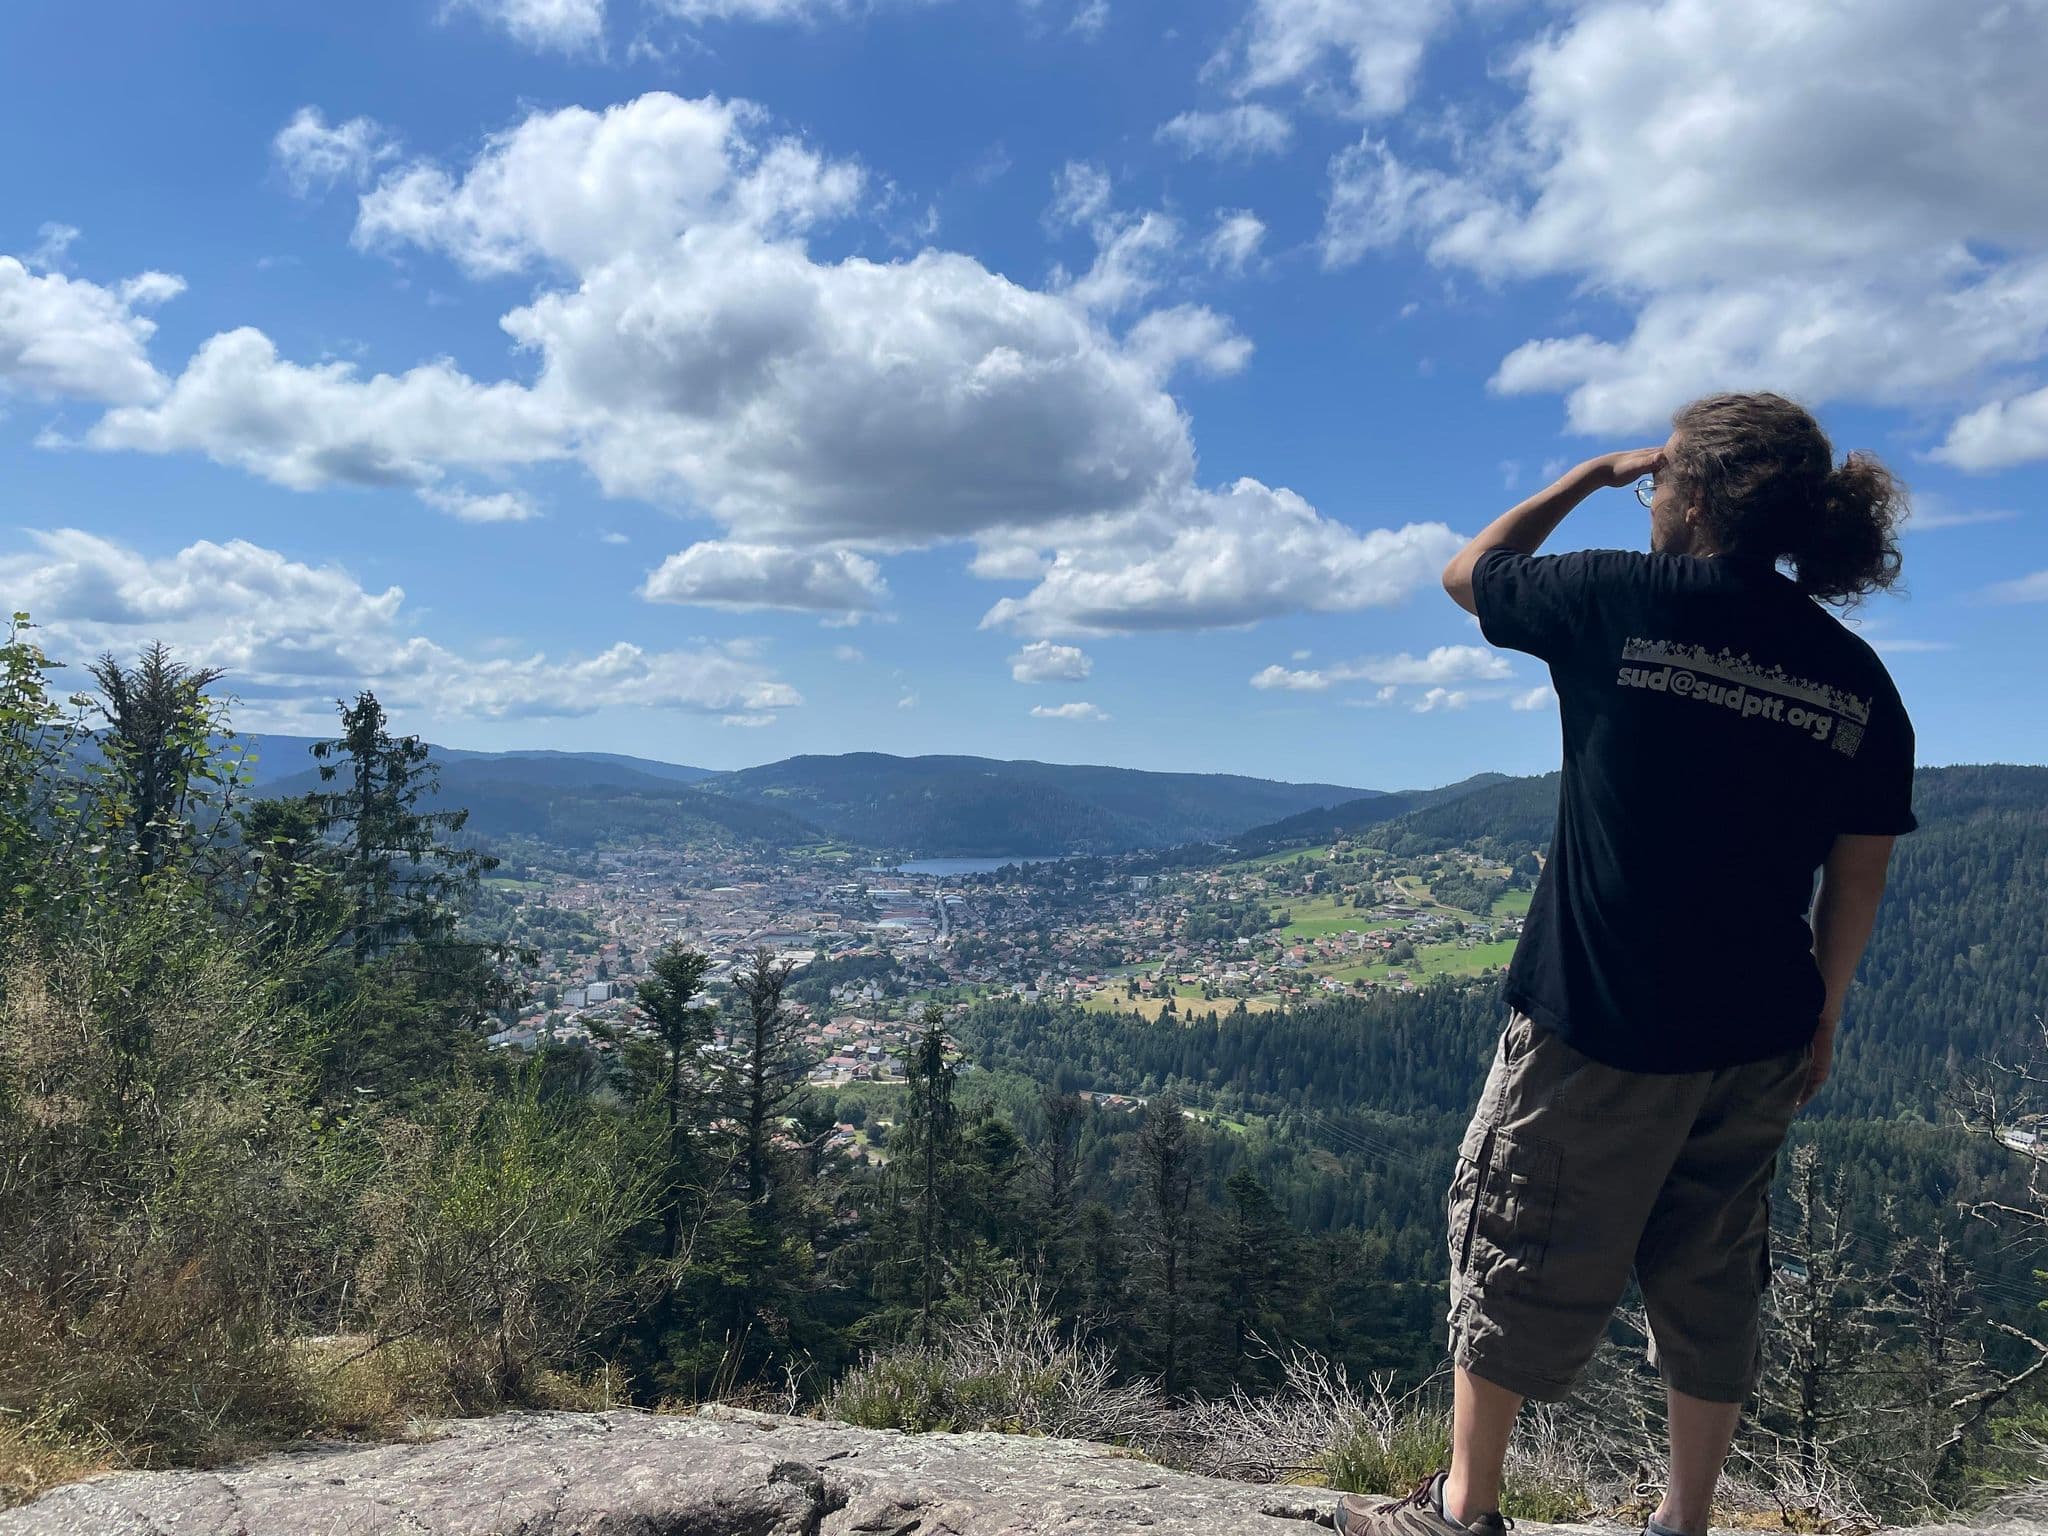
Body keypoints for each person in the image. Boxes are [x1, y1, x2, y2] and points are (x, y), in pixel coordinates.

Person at [1335, 392, 1917, 1536]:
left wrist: (1589, 472)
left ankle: (1464, 1509)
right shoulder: (1852, 677)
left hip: (1596, 1018)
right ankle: (1684, 1521)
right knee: (1710, 1279)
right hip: (1756, 1030)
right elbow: (1856, 873)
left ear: (1687, 491)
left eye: (1659, 481)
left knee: (1514, 1242)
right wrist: (1825, 1011)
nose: (1647, 495)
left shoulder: (1616, 597)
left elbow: (1469, 571)